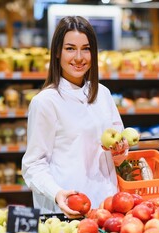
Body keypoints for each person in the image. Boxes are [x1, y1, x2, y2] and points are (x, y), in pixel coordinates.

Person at [21, 16, 129, 218]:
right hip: (69, 209)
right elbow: (33, 165)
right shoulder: (45, 101)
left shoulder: (103, 94)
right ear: (56, 53)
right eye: (70, 48)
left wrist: (120, 152)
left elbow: (118, 152)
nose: (79, 57)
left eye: (86, 49)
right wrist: (57, 193)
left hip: (107, 206)